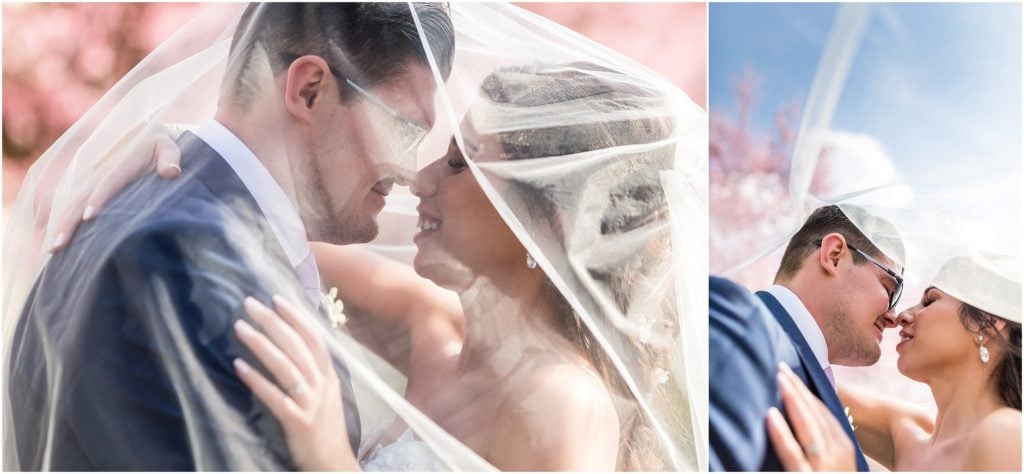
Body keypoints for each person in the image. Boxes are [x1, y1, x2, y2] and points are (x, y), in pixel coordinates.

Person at [53, 62, 693, 471]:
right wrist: (184, 157)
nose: (420, 177)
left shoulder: (565, 405)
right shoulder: (429, 325)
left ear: (546, 227)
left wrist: (333, 460)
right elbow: (257, 223)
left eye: (462, 163)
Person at [5, 4, 455, 470]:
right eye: (403, 130)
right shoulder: (183, 268)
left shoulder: (161, 210)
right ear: (309, 90)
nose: (409, 171)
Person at [767, 254, 1022, 471]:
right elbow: (797, 375)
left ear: (987, 323)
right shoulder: (905, 432)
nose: (902, 315)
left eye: (930, 300)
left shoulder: (1006, 433)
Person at [709, 204, 904, 471]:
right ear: (834, 255)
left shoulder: (815, 381)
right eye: (890, 287)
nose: (894, 316)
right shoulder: (733, 320)